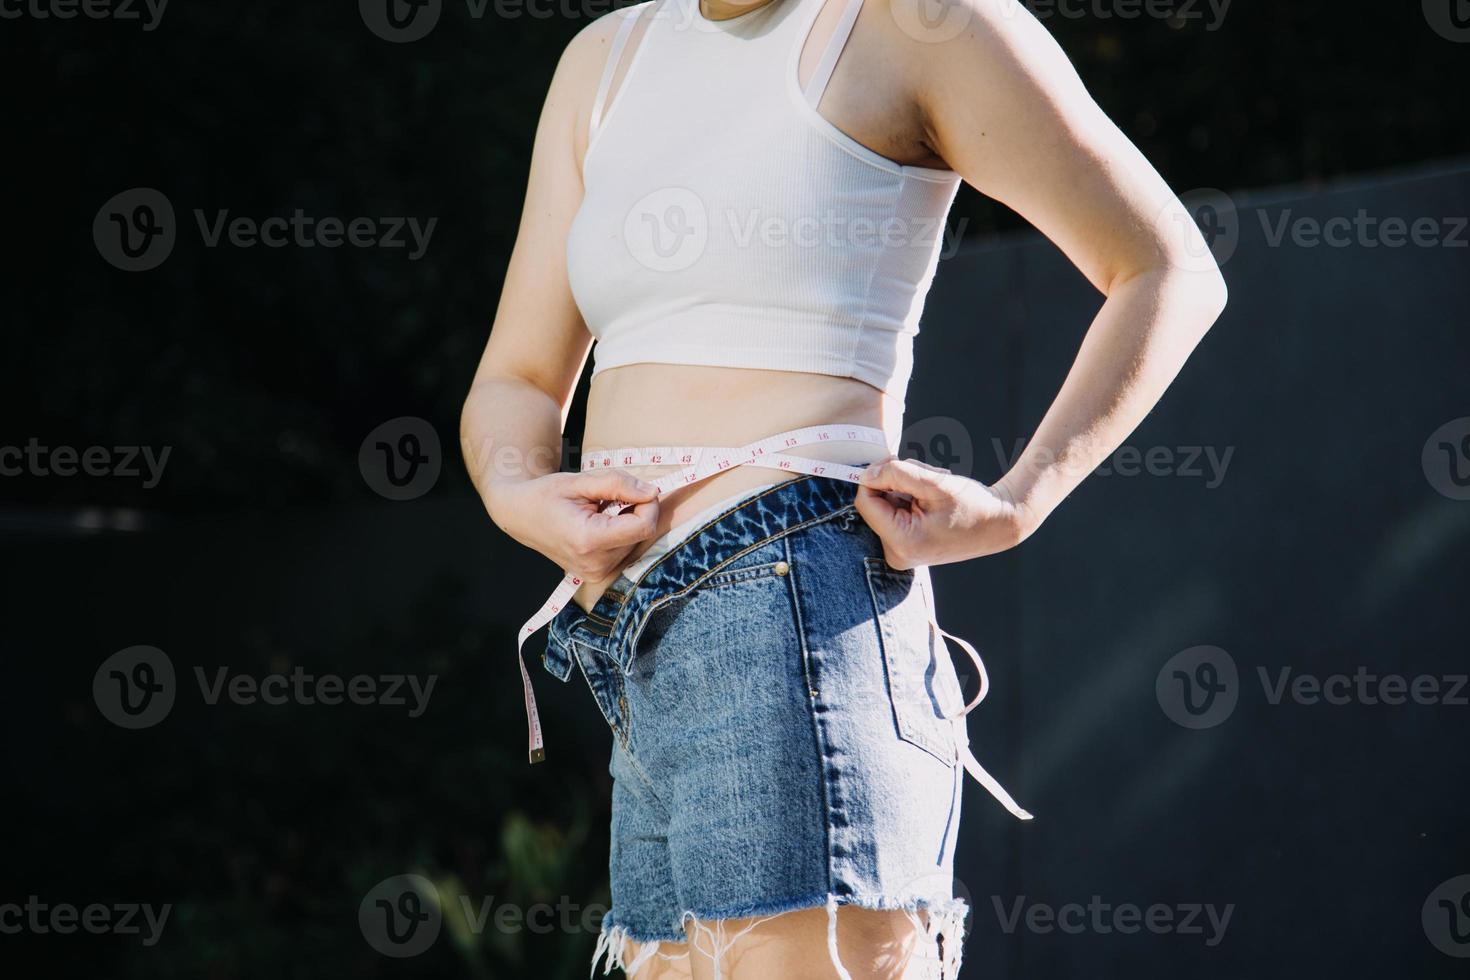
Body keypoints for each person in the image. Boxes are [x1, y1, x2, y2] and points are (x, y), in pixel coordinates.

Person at [460, 0, 1227, 975]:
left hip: (791, 613)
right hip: (630, 657)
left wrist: (1022, 497)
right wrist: (519, 491)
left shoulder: (919, 24)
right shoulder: (602, 62)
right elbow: (516, 381)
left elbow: (1167, 267)